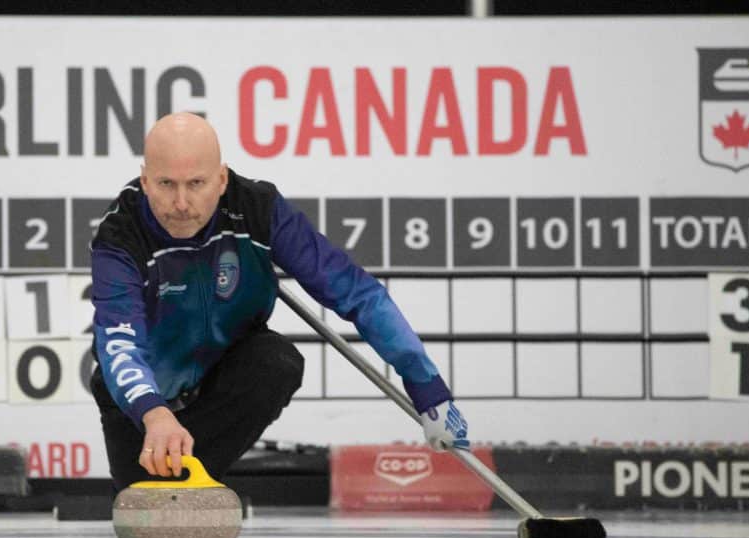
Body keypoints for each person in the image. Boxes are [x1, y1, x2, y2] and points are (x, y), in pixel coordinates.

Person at [90, 112, 468, 489]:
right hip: (142, 401)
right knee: (139, 493)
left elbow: (357, 293)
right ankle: (171, 474)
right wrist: (153, 413)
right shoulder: (120, 235)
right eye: (166, 184)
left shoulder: (258, 209)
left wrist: (426, 386)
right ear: (145, 180)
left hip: (222, 380)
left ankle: (190, 480)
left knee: (277, 362)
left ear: (221, 179)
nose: (182, 202)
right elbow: (120, 342)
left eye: (197, 183)